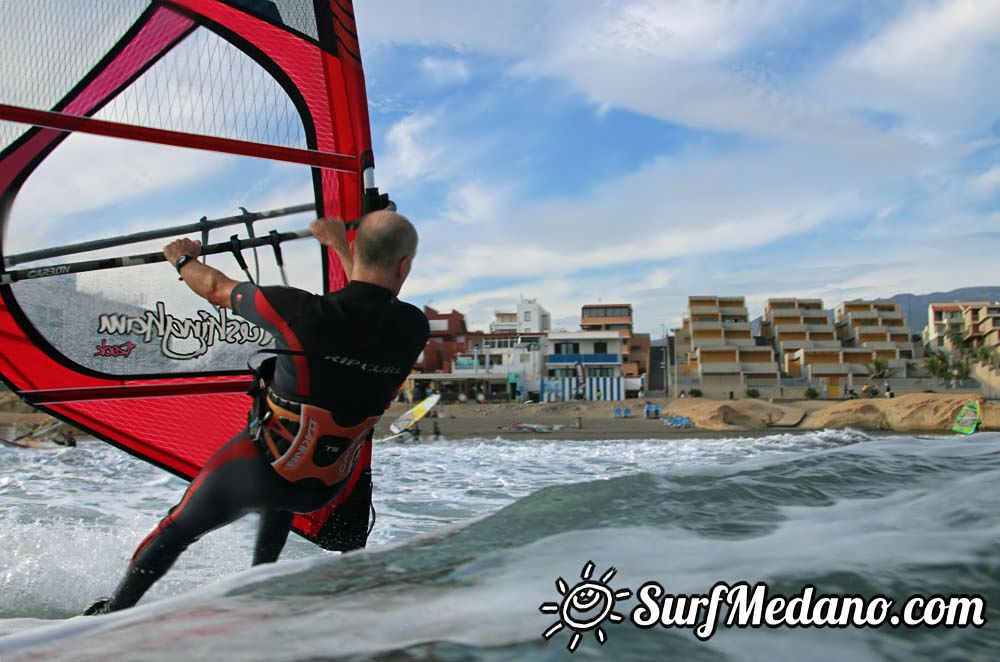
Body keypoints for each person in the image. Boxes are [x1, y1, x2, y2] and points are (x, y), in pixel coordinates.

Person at [84, 210, 428, 615]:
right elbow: (370, 298)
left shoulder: (298, 311)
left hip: (262, 471)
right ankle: (259, 586)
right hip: (326, 486)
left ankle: (112, 615)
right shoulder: (413, 328)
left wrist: (181, 259)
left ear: (357, 249)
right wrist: (338, 246)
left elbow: (214, 287)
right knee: (286, 485)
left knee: (176, 529)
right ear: (405, 265)